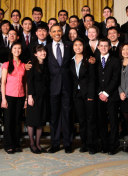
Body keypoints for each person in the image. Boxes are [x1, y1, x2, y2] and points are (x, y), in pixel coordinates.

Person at [46, 24, 74, 154]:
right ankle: (55, 144)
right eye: (54, 31)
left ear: (62, 32)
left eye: (59, 31)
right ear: (50, 33)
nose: (57, 33)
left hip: (67, 86)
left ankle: (68, 143)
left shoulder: (69, 46)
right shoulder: (46, 47)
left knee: (67, 116)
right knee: (55, 117)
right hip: (53, 87)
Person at [70, 38, 98, 155]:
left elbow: (92, 79)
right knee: (81, 121)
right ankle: (84, 144)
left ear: (83, 46)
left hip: (88, 95)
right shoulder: (70, 61)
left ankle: (92, 145)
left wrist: (91, 94)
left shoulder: (88, 61)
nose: (78, 47)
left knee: (90, 120)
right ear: (73, 47)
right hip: (76, 95)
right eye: (75, 45)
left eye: (80, 45)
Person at [95, 38, 121, 155]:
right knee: (101, 122)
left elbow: (116, 78)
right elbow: (93, 79)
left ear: (110, 47)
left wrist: (106, 93)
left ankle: (113, 146)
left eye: (106, 46)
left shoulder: (116, 61)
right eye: (102, 46)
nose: (104, 48)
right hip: (99, 96)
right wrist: (100, 92)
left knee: (114, 122)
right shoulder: (94, 60)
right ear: (98, 47)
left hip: (112, 96)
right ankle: (104, 145)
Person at [1, 42, 27, 154]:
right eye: (15, 48)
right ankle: (8, 145)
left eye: (19, 48)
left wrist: (26, 98)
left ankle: (16, 144)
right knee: (8, 121)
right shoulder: (6, 64)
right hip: (8, 96)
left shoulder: (23, 65)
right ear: (11, 50)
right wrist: (3, 99)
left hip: (20, 96)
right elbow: (2, 83)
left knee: (17, 121)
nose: (17, 50)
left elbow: (25, 83)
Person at [26, 44, 50, 154]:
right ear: (35, 54)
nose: (42, 53)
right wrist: (29, 97)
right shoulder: (31, 64)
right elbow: (29, 82)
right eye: (39, 51)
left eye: (44, 50)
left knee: (40, 121)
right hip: (34, 96)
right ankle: (32, 143)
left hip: (44, 96)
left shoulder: (47, 64)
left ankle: (38, 144)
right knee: (32, 121)